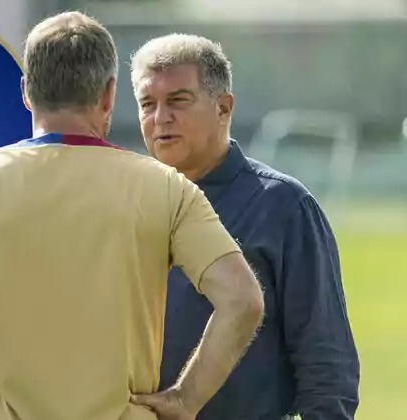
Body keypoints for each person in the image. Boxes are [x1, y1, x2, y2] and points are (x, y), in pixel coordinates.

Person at [0, 12, 264, 420]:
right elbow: (241, 300)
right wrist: (185, 400)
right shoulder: (167, 188)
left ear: (25, 92)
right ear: (109, 94)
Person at [129, 33, 360, 420]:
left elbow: (326, 361)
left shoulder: (283, 206)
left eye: (178, 101)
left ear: (223, 108)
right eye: (147, 104)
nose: (160, 118)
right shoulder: (126, 203)